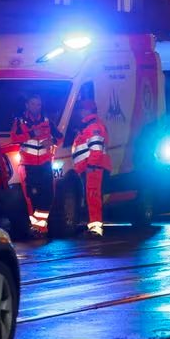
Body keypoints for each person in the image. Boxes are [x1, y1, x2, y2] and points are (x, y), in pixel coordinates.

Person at [9, 94, 60, 237]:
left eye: (38, 105)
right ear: (27, 105)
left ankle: (39, 227)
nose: (36, 107)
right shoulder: (20, 122)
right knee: (31, 197)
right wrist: (31, 133)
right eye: (33, 104)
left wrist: (53, 141)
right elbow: (14, 138)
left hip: (45, 164)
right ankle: (37, 228)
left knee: (48, 195)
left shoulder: (47, 121)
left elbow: (60, 137)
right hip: (28, 165)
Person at [72, 98, 112, 237]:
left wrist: (91, 165)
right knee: (92, 197)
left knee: (93, 197)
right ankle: (94, 226)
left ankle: (95, 229)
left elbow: (96, 149)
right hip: (91, 168)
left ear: (87, 110)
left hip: (93, 168)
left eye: (82, 110)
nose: (80, 113)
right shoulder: (91, 126)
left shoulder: (93, 127)